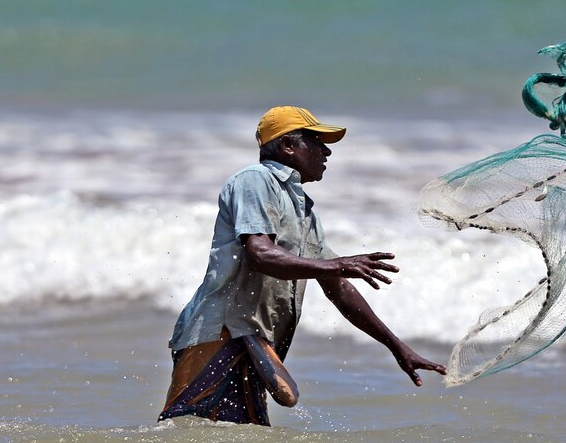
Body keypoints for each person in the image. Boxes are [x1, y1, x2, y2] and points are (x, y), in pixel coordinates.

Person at [159, 106, 445, 425]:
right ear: (288, 146)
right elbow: (260, 253)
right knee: (185, 428)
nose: (327, 151)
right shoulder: (255, 180)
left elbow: (339, 289)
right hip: (221, 333)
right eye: (317, 141)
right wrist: (335, 265)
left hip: (256, 345)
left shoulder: (305, 213)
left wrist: (397, 347)